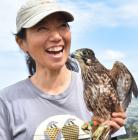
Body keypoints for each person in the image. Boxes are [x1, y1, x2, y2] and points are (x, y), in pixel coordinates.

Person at [0, 0, 126, 139]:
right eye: (41, 28)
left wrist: (102, 135)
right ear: (22, 43)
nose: (56, 37)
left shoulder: (100, 87)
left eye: (62, 26)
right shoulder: (6, 102)